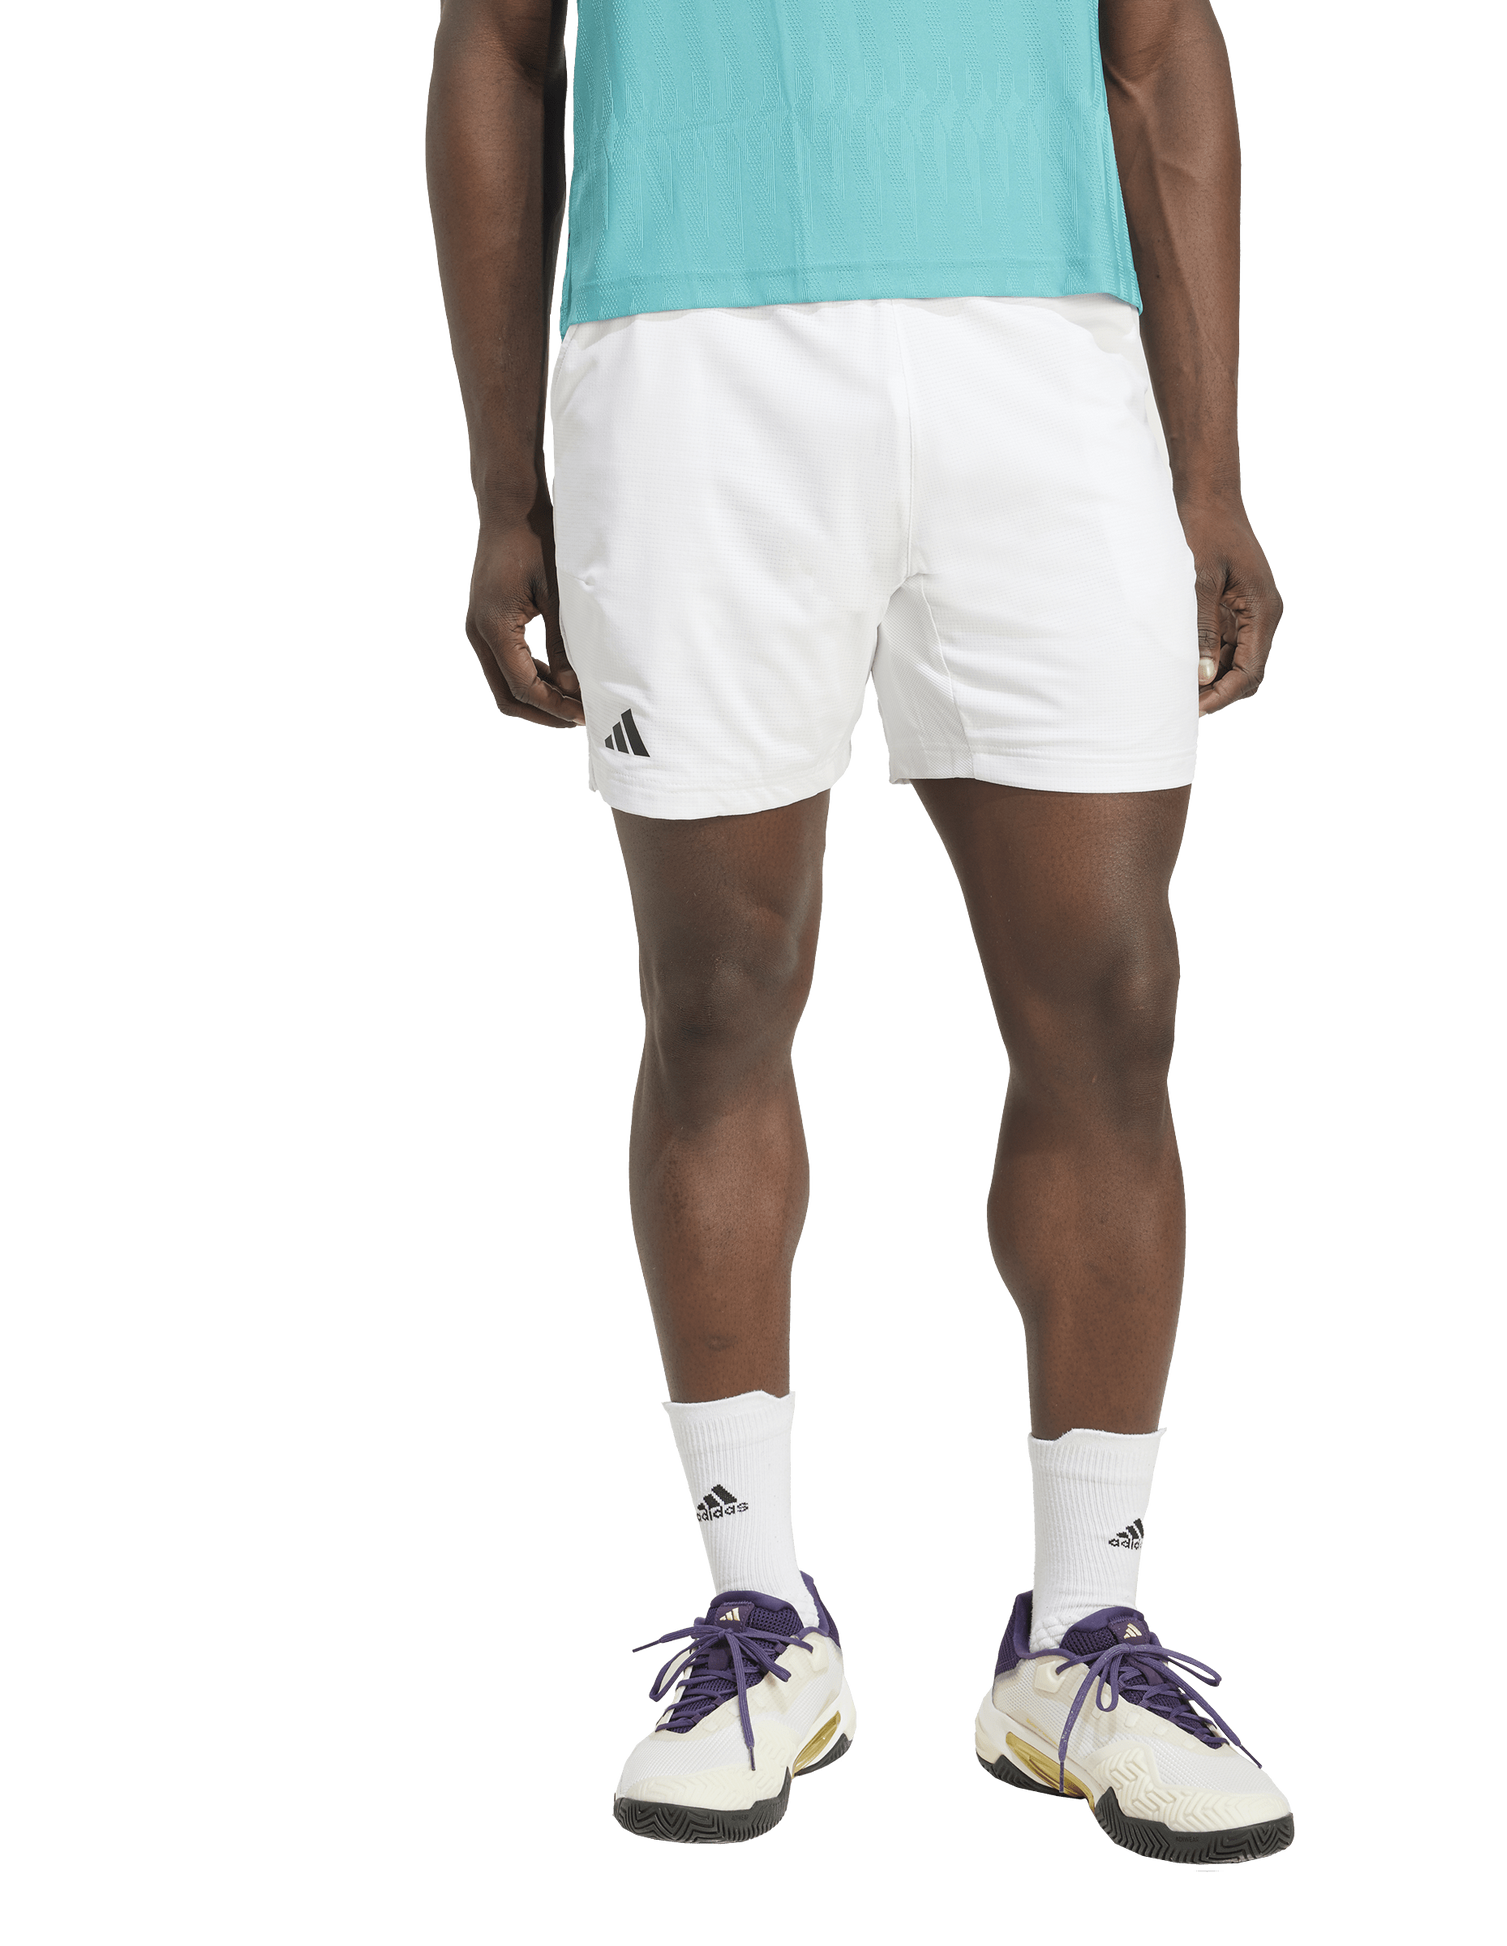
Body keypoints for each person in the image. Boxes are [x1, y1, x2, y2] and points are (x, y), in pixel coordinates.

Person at [425, 0, 1291, 1867]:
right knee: (719, 994)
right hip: (686, 358)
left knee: (1109, 1000)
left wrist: (1208, 472)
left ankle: (1081, 1640)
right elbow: (495, 47)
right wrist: (504, 487)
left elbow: (1157, 50)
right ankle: (760, 1617)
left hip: (1043, 357)